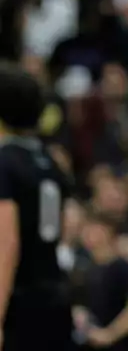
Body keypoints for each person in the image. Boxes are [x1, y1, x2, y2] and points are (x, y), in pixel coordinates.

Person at [0, 61, 74, 351]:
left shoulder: (5, 161)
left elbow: (6, 243)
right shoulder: (50, 161)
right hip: (54, 293)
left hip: (19, 302)